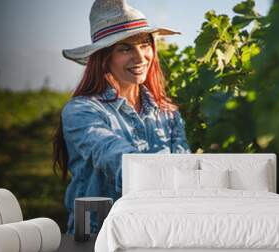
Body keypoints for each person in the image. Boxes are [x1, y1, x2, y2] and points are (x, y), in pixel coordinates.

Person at [52, 0, 191, 234]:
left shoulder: (168, 113)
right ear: (103, 57)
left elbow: (185, 169)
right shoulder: (81, 112)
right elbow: (115, 156)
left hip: (160, 234)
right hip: (98, 237)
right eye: (125, 48)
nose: (140, 57)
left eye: (145, 44)